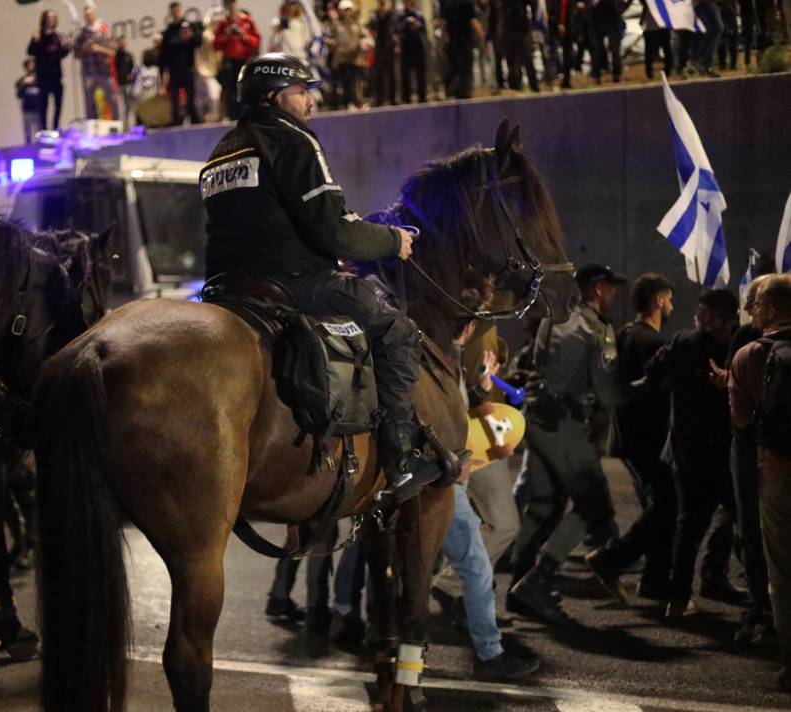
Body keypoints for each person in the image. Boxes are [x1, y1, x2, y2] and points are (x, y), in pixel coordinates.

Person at [201, 52, 455, 505]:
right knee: (396, 330)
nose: (310, 101)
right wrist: (391, 241)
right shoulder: (293, 140)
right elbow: (333, 230)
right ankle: (400, 460)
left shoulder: (222, 152)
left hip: (226, 291)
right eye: (302, 91)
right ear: (276, 97)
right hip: (293, 282)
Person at [508, 263, 623, 625]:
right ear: (595, 289)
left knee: (542, 506)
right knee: (593, 506)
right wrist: (649, 384)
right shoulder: (595, 327)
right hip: (567, 424)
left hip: (539, 418)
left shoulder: (552, 318)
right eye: (609, 286)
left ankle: (518, 588)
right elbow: (608, 394)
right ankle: (535, 582)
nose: (613, 293)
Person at [435, 308, 541, 680]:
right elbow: (446, 416)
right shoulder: (441, 361)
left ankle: (486, 653)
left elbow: (463, 408)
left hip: (450, 480)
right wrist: (473, 451)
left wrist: (482, 386)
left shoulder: (450, 358)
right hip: (443, 483)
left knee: (477, 569)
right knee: (477, 566)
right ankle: (485, 654)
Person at [645, 288, 745, 619]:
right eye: (700, 311)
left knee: (698, 526)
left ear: (721, 317)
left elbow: (654, 376)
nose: (698, 317)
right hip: (710, 452)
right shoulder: (732, 347)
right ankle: (697, 590)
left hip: (694, 451)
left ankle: (689, 591)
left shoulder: (688, 343)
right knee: (714, 522)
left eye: (704, 312)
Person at [587, 273, 677, 603]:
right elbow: (657, 391)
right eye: (669, 300)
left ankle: (654, 580)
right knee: (667, 505)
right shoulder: (650, 342)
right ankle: (612, 558)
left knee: (661, 507)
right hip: (649, 438)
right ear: (658, 300)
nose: (670, 307)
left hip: (626, 437)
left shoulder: (625, 334)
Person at [728, 274, 791, 693]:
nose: (750, 311)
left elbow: (742, 420)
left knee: (784, 573)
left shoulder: (749, 354)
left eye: (754, 304)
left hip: (778, 475)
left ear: (770, 309)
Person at [214, 0, 261, 119]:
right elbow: (215, 44)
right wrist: (227, 35)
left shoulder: (247, 20)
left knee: (245, 88)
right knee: (230, 90)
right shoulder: (223, 23)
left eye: (233, 3)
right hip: (229, 61)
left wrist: (243, 36)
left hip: (244, 61)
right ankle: (233, 117)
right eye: (228, 3)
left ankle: (247, 115)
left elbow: (256, 41)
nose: (231, 6)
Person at [161, 1, 203, 125]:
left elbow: (197, 43)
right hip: (174, 69)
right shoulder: (168, 31)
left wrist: (191, 36)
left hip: (187, 67)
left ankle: (195, 120)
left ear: (180, 11)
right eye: (173, 11)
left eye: (177, 10)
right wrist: (164, 70)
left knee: (191, 96)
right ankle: (176, 121)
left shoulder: (188, 26)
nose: (176, 13)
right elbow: (164, 53)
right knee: (174, 97)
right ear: (171, 13)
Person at [27, 9, 70, 130]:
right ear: (44, 19)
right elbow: (30, 51)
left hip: (56, 75)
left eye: (53, 17)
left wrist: (66, 46)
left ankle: (56, 127)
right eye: (49, 17)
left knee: (58, 104)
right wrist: (35, 41)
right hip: (43, 76)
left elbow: (61, 53)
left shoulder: (57, 36)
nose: (51, 19)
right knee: (44, 105)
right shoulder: (39, 35)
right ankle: (44, 129)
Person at [75, 4, 119, 121]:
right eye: (86, 15)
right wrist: (85, 48)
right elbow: (76, 54)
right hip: (88, 72)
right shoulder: (82, 34)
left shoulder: (104, 30)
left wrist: (98, 48)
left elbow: (113, 51)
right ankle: (93, 126)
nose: (88, 17)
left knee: (112, 98)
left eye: (90, 14)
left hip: (104, 71)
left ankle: (117, 123)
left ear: (94, 14)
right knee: (89, 102)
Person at [397, 0, 429, 102]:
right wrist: (406, 22)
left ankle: (422, 97)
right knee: (405, 75)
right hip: (406, 47)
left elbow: (424, 30)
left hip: (418, 47)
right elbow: (397, 30)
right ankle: (405, 99)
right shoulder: (400, 15)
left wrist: (417, 25)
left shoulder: (419, 15)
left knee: (420, 74)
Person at [367, 0, 396, 106]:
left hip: (389, 47)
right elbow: (371, 28)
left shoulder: (391, 14)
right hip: (379, 47)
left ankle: (392, 99)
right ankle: (379, 99)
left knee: (391, 73)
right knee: (378, 74)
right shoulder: (374, 14)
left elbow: (395, 29)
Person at [589, 0, 625, 82]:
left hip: (611, 18)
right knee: (597, 49)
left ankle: (616, 74)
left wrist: (621, 8)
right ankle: (596, 75)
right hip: (596, 20)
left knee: (614, 47)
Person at [16, 57, 42, 144]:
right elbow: (18, 95)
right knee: (28, 130)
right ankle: (28, 146)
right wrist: (24, 83)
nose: (31, 67)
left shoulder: (40, 80)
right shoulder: (22, 81)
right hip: (27, 109)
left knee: (39, 130)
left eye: (32, 65)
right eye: (29, 65)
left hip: (38, 109)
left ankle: (40, 145)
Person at [115, 37, 136, 125]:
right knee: (121, 104)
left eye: (124, 43)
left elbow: (133, 69)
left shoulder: (129, 56)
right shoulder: (116, 56)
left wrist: (131, 75)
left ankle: (129, 121)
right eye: (121, 43)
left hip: (128, 84)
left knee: (129, 103)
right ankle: (122, 122)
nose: (122, 45)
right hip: (119, 83)